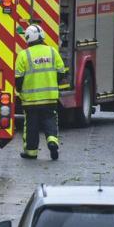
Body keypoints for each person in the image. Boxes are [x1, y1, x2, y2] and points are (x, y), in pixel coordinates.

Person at [16, 24, 67, 160]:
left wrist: (19, 91)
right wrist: (51, 82)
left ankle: (31, 152)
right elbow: (62, 72)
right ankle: (52, 141)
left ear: (27, 39)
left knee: (31, 125)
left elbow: (18, 78)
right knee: (50, 120)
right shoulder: (52, 51)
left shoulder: (23, 55)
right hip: (50, 97)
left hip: (31, 99)